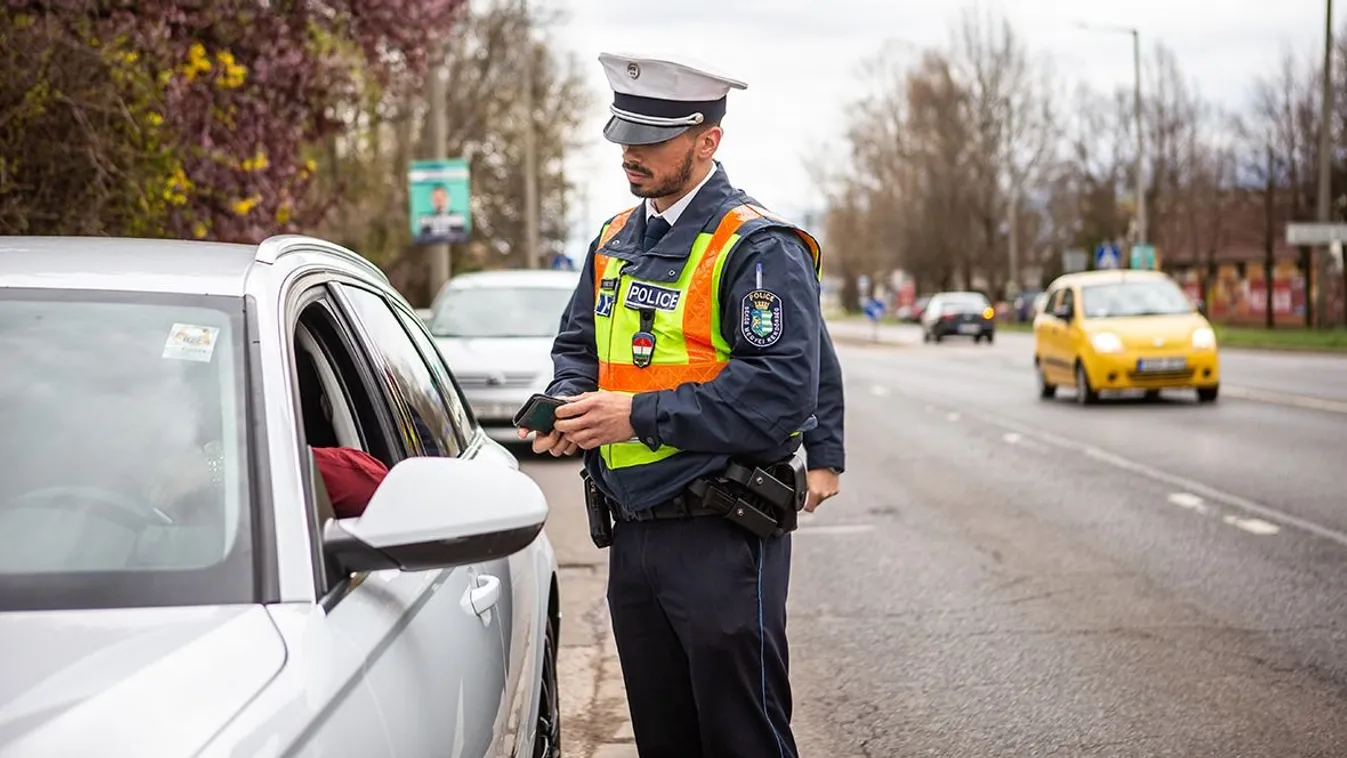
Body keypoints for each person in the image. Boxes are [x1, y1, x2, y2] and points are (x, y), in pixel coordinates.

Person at [517, 51, 831, 758]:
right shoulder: (613, 240)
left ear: (706, 141)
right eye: (625, 136)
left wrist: (631, 416)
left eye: (651, 139)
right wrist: (569, 402)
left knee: (739, 736)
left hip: (717, 533)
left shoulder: (756, 246)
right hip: (632, 531)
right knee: (664, 737)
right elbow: (577, 346)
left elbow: (780, 394)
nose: (630, 153)